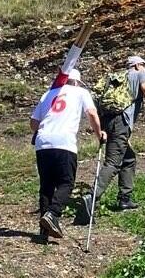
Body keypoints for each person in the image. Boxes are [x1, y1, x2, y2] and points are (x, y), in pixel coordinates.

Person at [80, 55, 145, 220]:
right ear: (137, 65)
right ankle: (92, 197)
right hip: (121, 122)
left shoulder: (115, 78)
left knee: (129, 158)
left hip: (107, 120)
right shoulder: (139, 73)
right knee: (113, 162)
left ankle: (125, 199)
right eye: (144, 64)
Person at [30, 42, 105, 240]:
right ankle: (53, 214)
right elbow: (91, 113)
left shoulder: (49, 93)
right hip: (64, 142)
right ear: (78, 82)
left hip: (43, 142)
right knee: (66, 182)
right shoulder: (81, 92)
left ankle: (43, 231)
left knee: (47, 184)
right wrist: (100, 134)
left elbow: (33, 123)